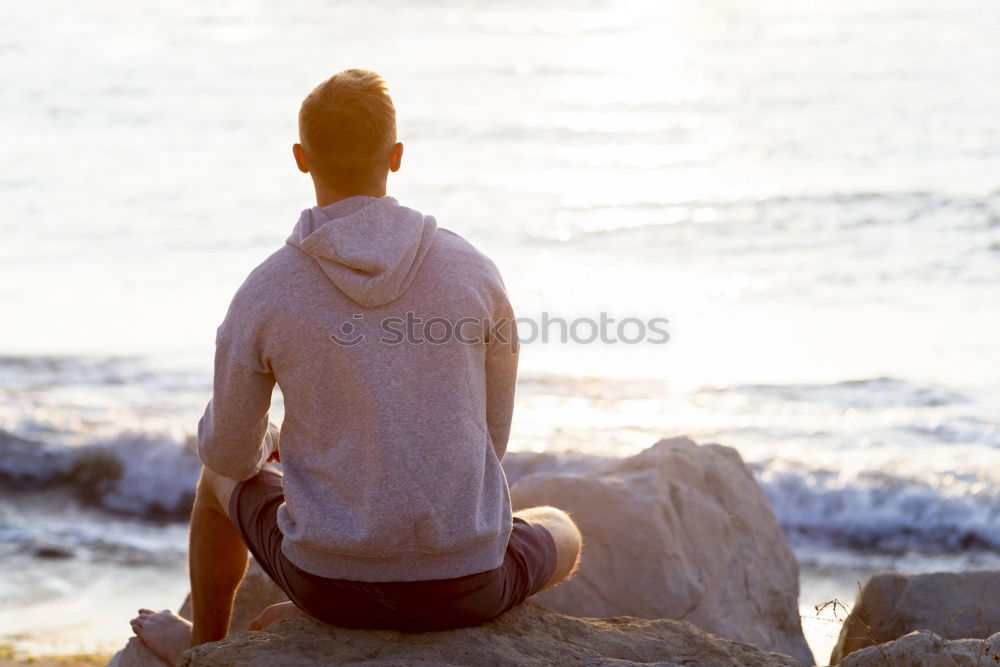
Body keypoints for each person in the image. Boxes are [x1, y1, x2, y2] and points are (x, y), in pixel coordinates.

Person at [130, 69, 582, 665]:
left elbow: (230, 456)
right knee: (561, 528)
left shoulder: (266, 291)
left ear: (300, 158)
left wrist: (272, 444)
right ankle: (352, 615)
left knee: (214, 484)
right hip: (469, 587)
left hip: (328, 586)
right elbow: (488, 443)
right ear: (396, 156)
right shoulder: (474, 271)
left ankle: (202, 646)